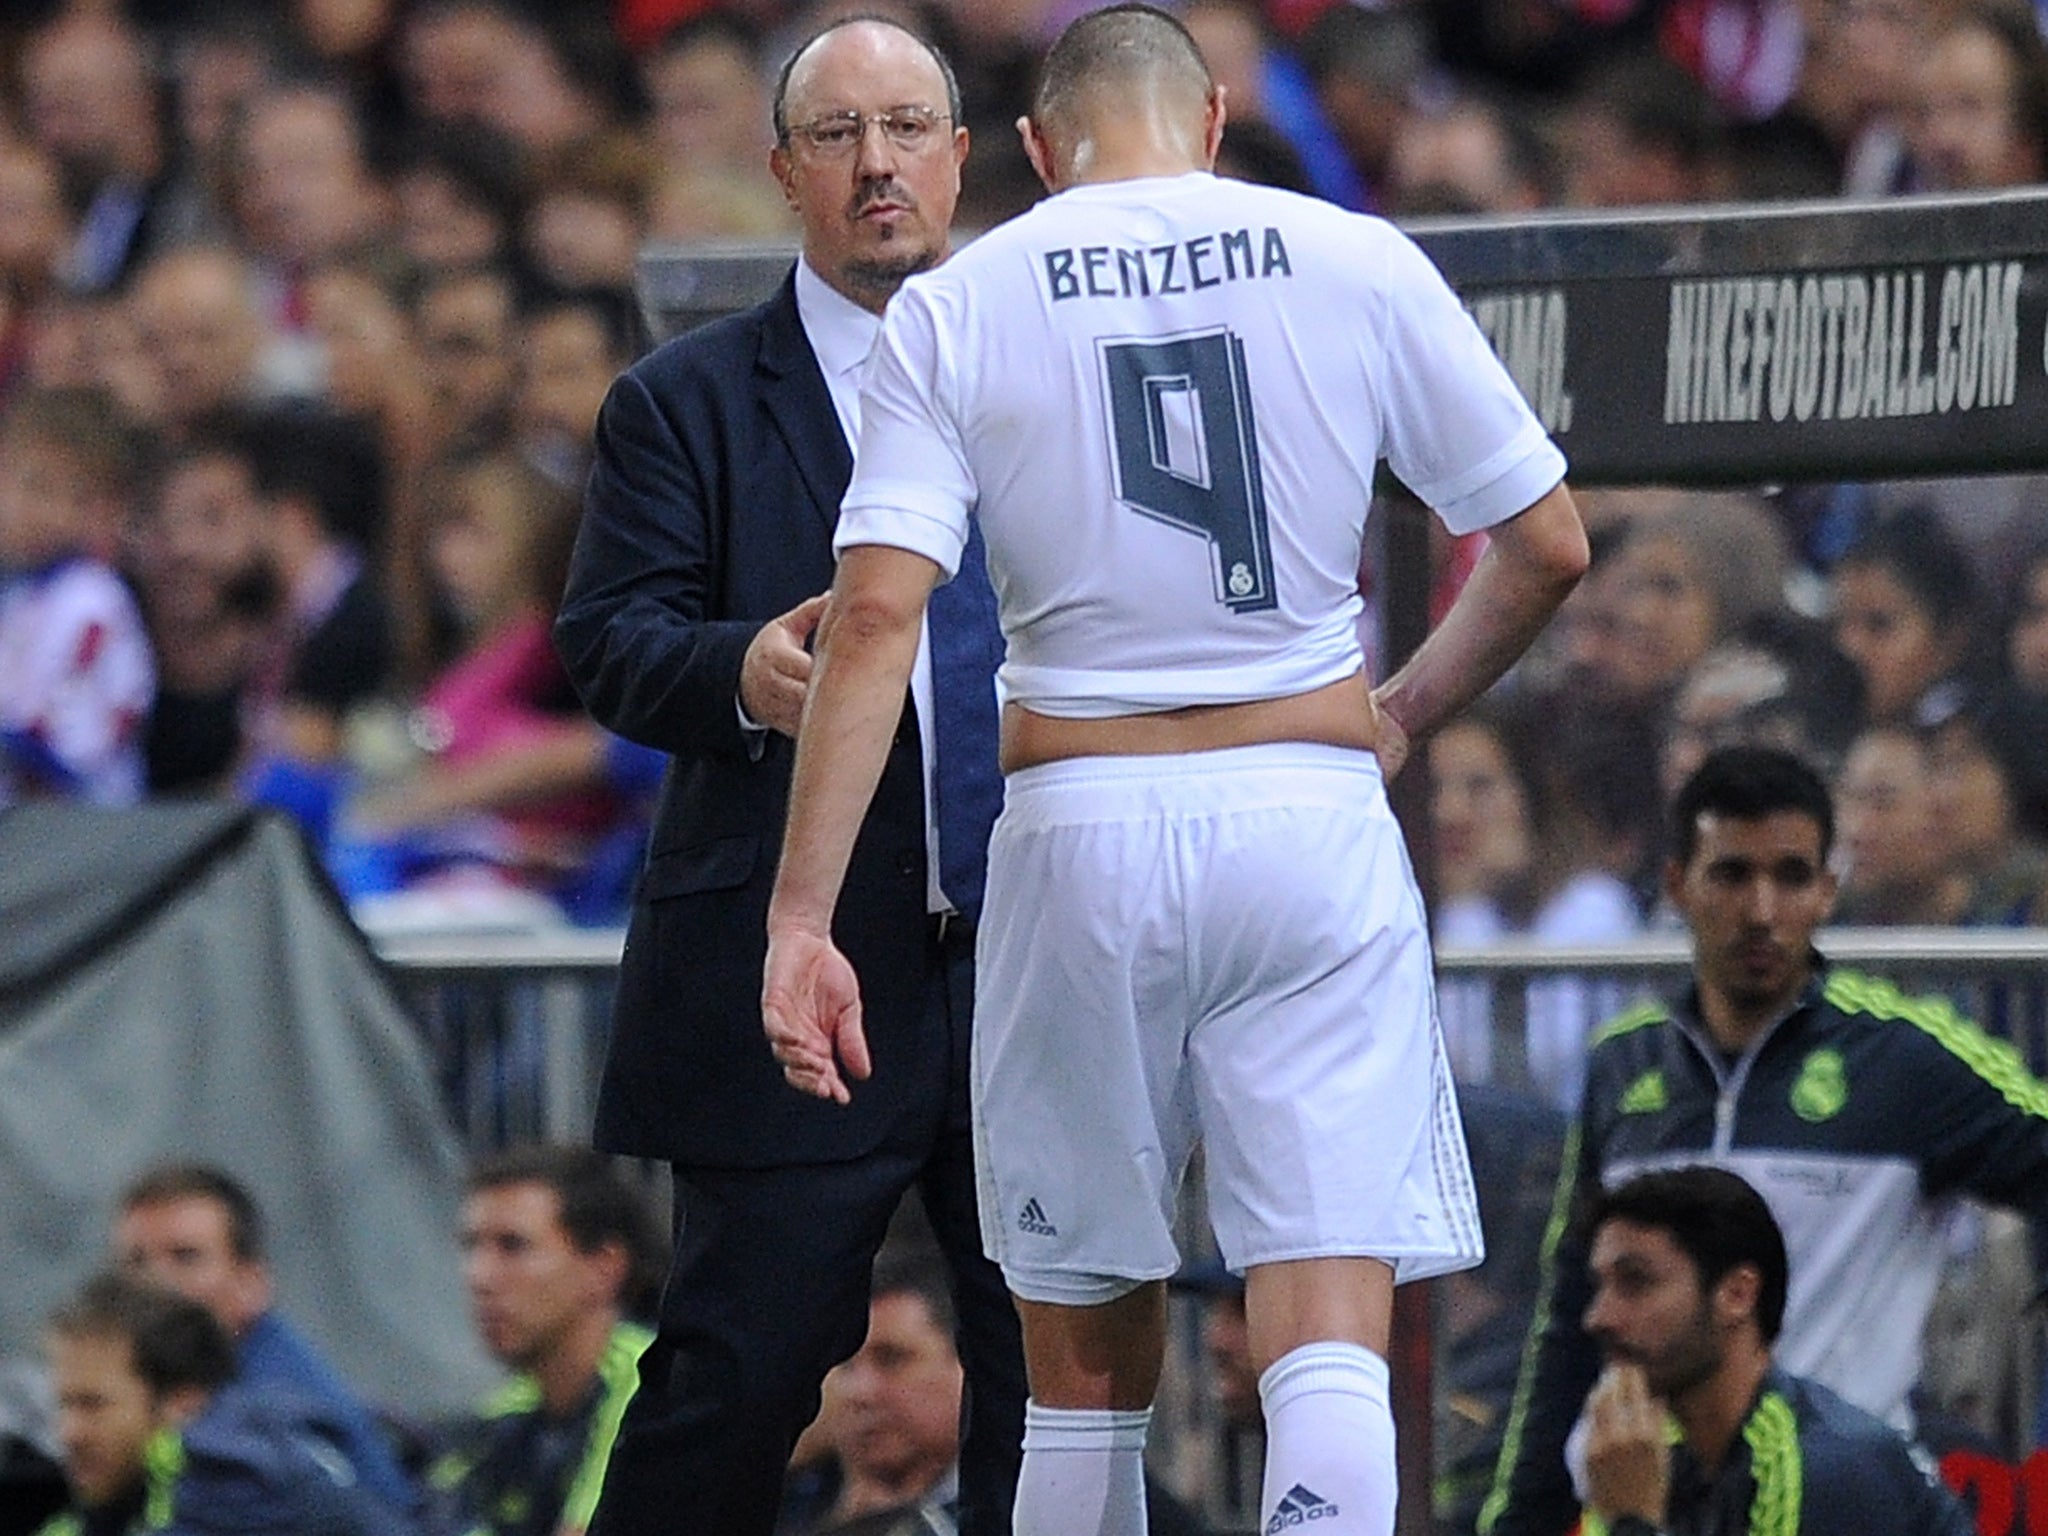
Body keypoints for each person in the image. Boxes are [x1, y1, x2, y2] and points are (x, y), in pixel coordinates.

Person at [759, 8, 1586, 1534]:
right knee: (1326, 1311)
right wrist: (1399, 706)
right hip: (1306, 809)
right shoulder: (1356, 256)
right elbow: (1546, 544)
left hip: (1078, 826)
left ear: (1029, 150)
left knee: (1078, 1367)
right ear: (1209, 121)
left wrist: (801, 920)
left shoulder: (960, 303)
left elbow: (875, 615)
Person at [551, 17, 1026, 1535]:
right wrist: (737, 671)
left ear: (963, 157)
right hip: (799, 969)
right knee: (736, 1380)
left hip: (1032, 952)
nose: (878, 164)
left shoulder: (1052, 374)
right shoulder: (681, 400)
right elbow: (609, 639)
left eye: (907, 128)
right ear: (782, 173)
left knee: (1059, 1377)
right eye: (839, 136)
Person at [1481, 746, 2048, 1536]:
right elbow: (1573, 1312)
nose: (1761, 910)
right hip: (1647, 1499)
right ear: (1677, 884)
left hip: (1832, 1498)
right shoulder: (1625, 1065)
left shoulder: (1905, 1060)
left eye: (1790, 877)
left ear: (1827, 890)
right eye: (1732, 874)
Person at [1574, 1166, 1976, 1536]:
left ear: (1737, 1295)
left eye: (1635, 1282)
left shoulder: (1828, 1469)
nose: (1598, 1317)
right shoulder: (1655, 1461)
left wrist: (1631, 1524)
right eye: (1599, 1286)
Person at [111, 1163, 417, 1517]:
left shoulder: (282, 1416)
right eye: (136, 1261)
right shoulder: (197, 1392)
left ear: (252, 1284)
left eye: (185, 1257)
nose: (153, 1283)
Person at [37, 1272, 398, 1536]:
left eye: (93, 1406)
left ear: (183, 1403)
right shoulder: (129, 1489)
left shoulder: (233, 1475)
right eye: (64, 1405)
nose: (69, 1433)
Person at [426, 1145, 666, 1536]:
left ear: (605, 1268)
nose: (479, 1277)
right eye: (471, 1246)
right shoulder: (503, 1413)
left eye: (512, 1245)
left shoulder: (652, 1387)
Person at [0, 386, 154, 808]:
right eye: (29, 486)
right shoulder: (20, 589)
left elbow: (65, 751)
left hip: (83, 829)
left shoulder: (91, 600)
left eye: (71, 497)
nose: (43, 512)